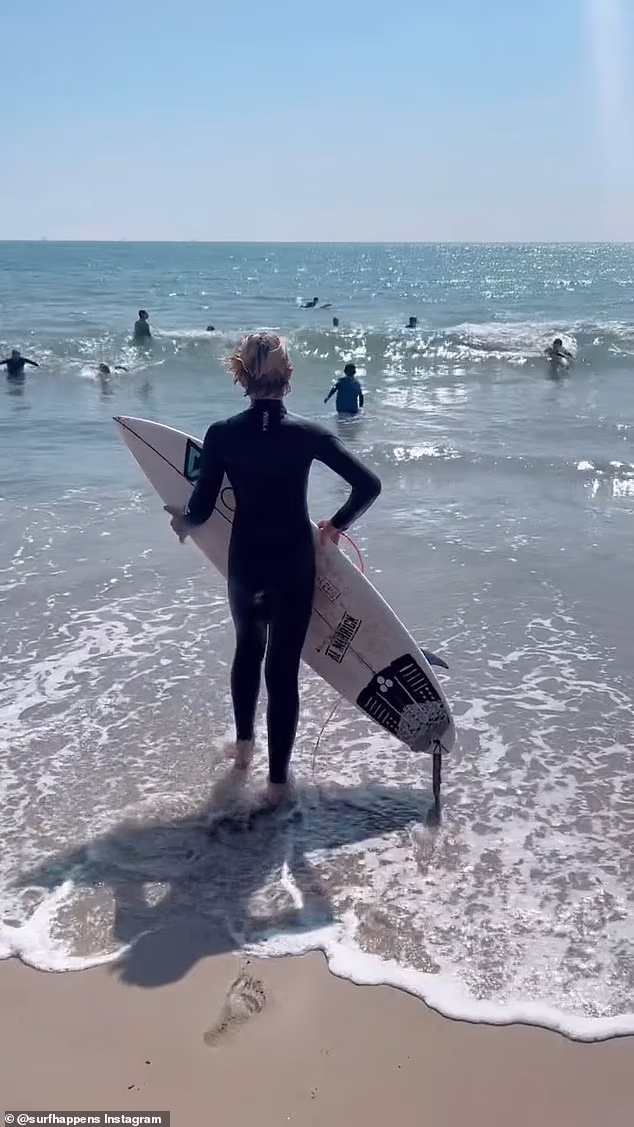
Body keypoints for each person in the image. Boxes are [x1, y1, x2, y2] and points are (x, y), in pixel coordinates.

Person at [165, 332, 381, 806]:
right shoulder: (308, 434)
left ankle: (243, 753)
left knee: (248, 651)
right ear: (289, 376)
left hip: (246, 563)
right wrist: (335, 525)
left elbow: (202, 509)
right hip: (292, 564)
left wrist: (182, 521)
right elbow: (368, 485)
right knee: (282, 671)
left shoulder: (222, 434)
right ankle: (278, 785)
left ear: (241, 376)